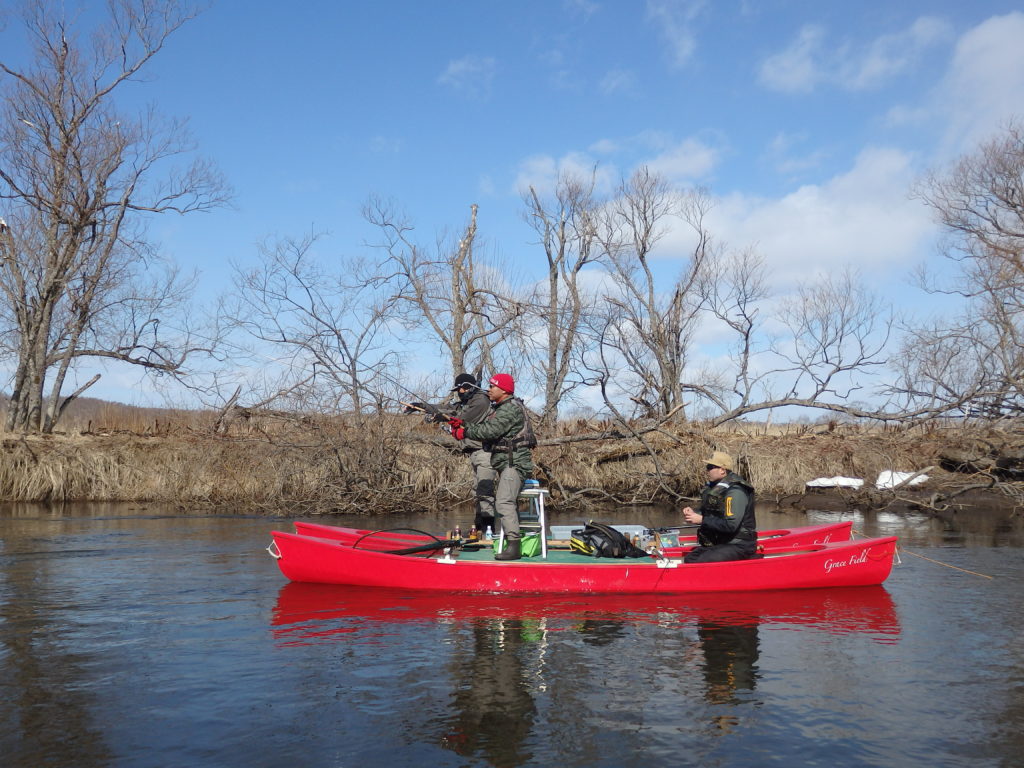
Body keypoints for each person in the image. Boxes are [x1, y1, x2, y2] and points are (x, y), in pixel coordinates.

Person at [451, 374, 535, 561]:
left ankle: (514, 546)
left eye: (492, 386)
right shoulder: (502, 408)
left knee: (504, 501)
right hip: (507, 463)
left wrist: (465, 431)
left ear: (504, 390)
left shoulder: (509, 410)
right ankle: (509, 540)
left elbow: (491, 431)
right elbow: (489, 427)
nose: (489, 389)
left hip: (514, 464)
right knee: (501, 500)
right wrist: (462, 423)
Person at [405, 373, 497, 538]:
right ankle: (480, 529)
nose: (459, 391)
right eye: (458, 389)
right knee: (477, 492)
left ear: (470, 387)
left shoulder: (481, 401)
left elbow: (461, 418)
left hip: (486, 452)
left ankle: (489, 531)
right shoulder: (465, 402)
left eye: (462, 388)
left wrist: (444, 418)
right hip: (475, 452)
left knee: (484, 492)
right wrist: (420, 406)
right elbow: (446, 408)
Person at [681, 451, 758, 564]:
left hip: (739, 544)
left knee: (701, 562)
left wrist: (701, 520)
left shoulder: (735, 492)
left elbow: (731, 525)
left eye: (710, 467)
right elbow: (713, 513)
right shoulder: (717, 490)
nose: (707, 470)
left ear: (722, 470)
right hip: (723, 543)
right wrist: (695, 513)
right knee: (690, 559)